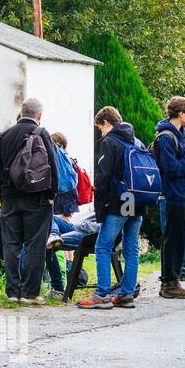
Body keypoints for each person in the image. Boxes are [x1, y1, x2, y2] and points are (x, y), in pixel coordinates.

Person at [0, 97, 59, 303]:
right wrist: (50, 195)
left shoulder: (4, 136)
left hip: (10, 199)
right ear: (39, 115)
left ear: (21, 112)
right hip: (36, 198)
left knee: (11, 244)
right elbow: (53, 168)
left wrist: (1, 194)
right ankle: (29, 293)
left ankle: (12, 292)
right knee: (34, 245)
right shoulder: (42, 133)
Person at [78, 106, 145, 309]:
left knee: (103, 246)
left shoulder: (111, 142)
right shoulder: (137, 141)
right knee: (131, 248)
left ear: (106, 123)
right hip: (137, 200)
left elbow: (104, 176)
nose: (101, 132)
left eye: (100, 128)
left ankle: (103, 294)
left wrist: (100, 207)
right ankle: (126, 294)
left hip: (118, 201)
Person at [153, 96, 185, 299]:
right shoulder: (165, 137)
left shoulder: (180, 133)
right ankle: (170, 282)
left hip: (181, 192)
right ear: (180, 114)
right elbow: (172, 168)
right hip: (173, 193)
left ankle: (173, 279)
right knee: (173, 237)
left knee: (179, 236)